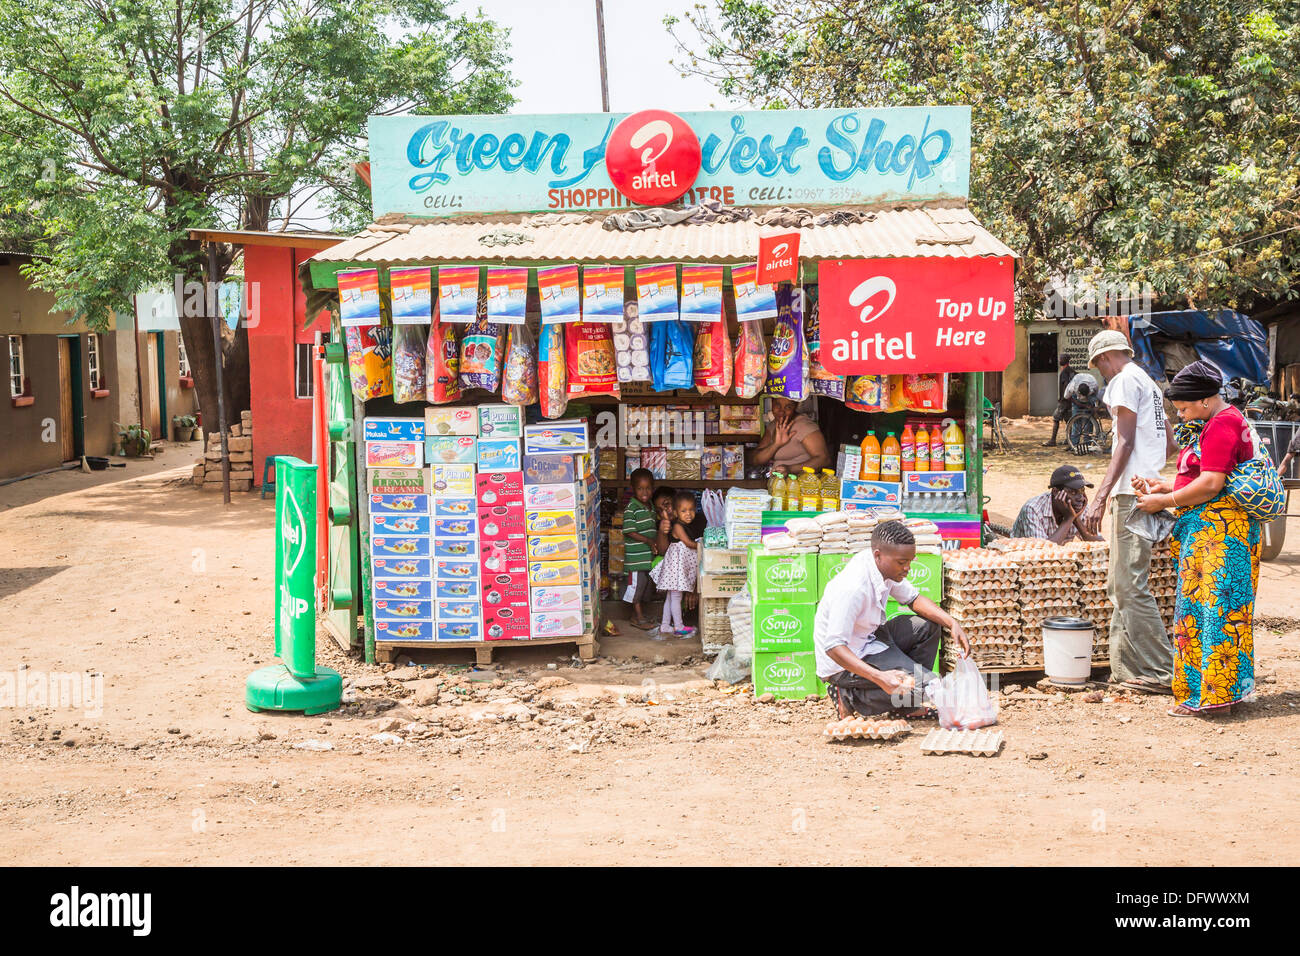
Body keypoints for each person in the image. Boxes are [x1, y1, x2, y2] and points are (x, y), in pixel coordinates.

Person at [1134, 361, 1261, 718]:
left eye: (1185, 408)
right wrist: (1164, 485)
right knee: (1208, 614)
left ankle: (1215, 699)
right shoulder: (1219, 420)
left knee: (1214, 615)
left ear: (1205, 400)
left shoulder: (1222, 423)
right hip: (1211, 536)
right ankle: (1216, 694)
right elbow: (1203, 476)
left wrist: (1165, 501)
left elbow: (1211, 484)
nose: (1182, 414)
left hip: (1220, 540)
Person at [1079, 330, 1177, 693]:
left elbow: (1124, 440)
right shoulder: (1149, 384)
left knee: (1130, 587)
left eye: (1099, 366)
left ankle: (1164, 671)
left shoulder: (1121, 381)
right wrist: (1150, 473)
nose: (1102, 373)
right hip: (1148, 489)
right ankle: (1125, 670)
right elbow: (1169, 442)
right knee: (1119, 585)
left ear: (1104, 359)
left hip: (1129, 495)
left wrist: (1100, 497)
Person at [815, 521, 970, 718]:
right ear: (878, 555)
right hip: (843, 661)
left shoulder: (883, 567)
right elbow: (834, 647)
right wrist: (880, 678)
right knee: (921, 686)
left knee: (928, 627)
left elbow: (913, 599)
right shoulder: (853, 588)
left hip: (870, 638)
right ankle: (848, 695)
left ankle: (906, 707)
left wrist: (951, 622)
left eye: (910, 561)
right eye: (901, 562)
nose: (907, 568)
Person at [649, 490, 703, 638]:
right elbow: (688, 543)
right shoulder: (678, 527)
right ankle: (678, 626)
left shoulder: (685, 525)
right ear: (676, 512)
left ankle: (666, 625)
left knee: (670, 598)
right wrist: (702, 545)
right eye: (684, 510)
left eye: (692, 510)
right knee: (676, 598)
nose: (689, 514)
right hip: (675, 570)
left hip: (676, 569)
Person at [1011, 465, 1103, 543]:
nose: (1081, 498)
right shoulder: (1033, 509)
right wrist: (1068, 519)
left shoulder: (1078, 505)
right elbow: (1043, 553)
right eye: (1073, 492)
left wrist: (1076, 519)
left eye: (1082, 490)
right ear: (1055, 492)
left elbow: (1099, 544)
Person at [620, 469, 658, 629]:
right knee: (636, 587)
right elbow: (629, 530)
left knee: (643, 587)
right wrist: (648, 541)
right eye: (640, 488)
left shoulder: (650, 506)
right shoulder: (631, 508)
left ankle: (639, 615)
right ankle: (638, 617)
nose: (645, 492)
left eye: (648, 488)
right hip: (635, 559)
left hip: (646, 559)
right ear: (633, 489)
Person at [751, 396, 831, 471]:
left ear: (795, 407)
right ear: (772, 403)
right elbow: (755, 460)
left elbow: (824, 460)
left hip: (802, 483)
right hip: (779, 482)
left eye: (788, 407)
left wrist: (790, 469)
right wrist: (776, 445)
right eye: (777, 405)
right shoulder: (773, 425)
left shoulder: (804, 426)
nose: (781, 411)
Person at [1044, 354, 1076, 446]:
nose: (1059, 360)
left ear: (1065, 361)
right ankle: (1068, 439)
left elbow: (1066, 385)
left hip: (1064, 400)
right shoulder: (1072, 371)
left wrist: (1064, 398)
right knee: (1068, 420)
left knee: (1056, 418)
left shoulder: (1065, 372)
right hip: (1070, 400)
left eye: (1061, 359)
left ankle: (1052, 440)